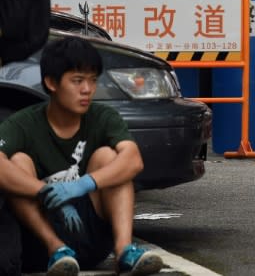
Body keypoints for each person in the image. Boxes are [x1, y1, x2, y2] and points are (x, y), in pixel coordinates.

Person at [0, 37, 163, 275]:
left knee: (109, 157)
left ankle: (124, 251)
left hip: (92, 238)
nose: (87, 90)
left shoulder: (103, 117)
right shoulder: (24, 123)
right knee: (17, 162)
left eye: (92, 81)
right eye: (77, 81)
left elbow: (133, 160)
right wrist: (43, 191)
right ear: (51, 82)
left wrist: (83, 184)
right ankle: (57, 248)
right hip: (40, 246)